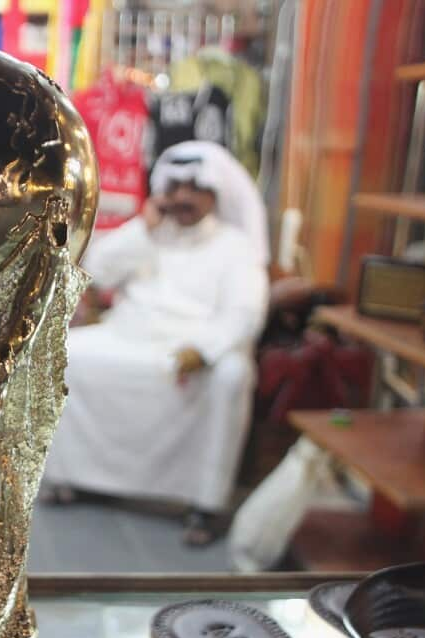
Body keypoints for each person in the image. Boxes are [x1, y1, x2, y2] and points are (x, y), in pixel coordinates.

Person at [44, 141, 269, 546]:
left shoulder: (235, 246)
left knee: (231, 375)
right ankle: (72, 478)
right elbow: (98, 271)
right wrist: (142, 229)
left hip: (195, 347)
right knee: (66, 355)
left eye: (194, 188)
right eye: (175, 187)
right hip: (130, 334)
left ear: (214, 194)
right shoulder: (150, 233)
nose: (183, 197)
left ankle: (205, 504)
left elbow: (245, 312)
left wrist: (204, 350)